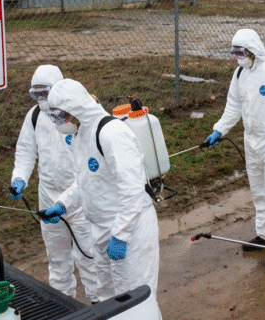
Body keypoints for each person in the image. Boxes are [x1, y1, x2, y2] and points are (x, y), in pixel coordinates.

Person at [39, 78, 162, 316]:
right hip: (101, 229)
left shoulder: (112, 133)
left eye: (60, 116)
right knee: (109, 300)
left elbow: (132, 188)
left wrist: (121, 234)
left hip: (130, 231)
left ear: (75, 109)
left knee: (137, 301)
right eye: (54, 117)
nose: (59, 122)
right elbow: (84, 181)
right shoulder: (81, 134)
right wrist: (62, 204)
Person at [204, 28, 265, 270]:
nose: (238, 57)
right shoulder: (239, 74)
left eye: (241, 52)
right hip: (253, 142)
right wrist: (219, 130)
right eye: (235, 53)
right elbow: (233, 108)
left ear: (252, 49)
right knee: (259, 192)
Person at [9, 65, 100, 302]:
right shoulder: (35, 116)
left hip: (79, 198)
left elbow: (89, 168)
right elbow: (26, 151)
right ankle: (62, 303)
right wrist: (19, 178)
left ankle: (99, 304)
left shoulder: (76, 115)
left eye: (45, 93)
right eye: (35, 94)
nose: (41, 99)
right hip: (48, 196)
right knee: (57, 258)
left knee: (88, 257)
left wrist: (65, 203)